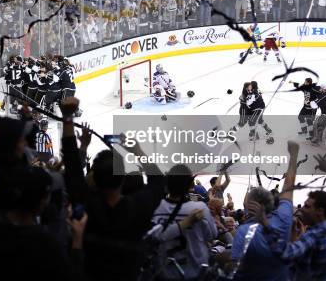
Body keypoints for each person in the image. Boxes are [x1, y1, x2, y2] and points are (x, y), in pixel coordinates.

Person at [60, 97, 166, 281]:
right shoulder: (138, 206)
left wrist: (68, 117)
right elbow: (158, 181)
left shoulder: (86, 203)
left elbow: (72, 166)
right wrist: (137, 150)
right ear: (122, 179)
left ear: (94, 178)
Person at [231, 141, 300, 280]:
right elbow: (289, 184)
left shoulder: (244, 232)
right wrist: (293, 155)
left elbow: (235, 266)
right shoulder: (284, 219)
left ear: (251, 207)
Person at [278, 154, 326, 280]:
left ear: (319, 211)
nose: (301, 209)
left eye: (307, 206)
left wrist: (291, 236)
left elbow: (287, 256)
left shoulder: (313, 236)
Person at [145, 164, 217, 281]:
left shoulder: (157, 207)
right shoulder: (200, 208)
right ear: (189, 185)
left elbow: (151, 237)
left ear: (167, 185)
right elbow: (212, 235)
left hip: (163, 273)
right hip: (195, 273)